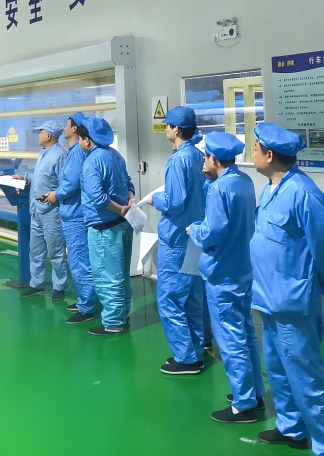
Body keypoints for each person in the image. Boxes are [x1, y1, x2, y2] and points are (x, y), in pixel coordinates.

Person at [251, 122, 324, 455]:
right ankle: (291, 428)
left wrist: (319, 285)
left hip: (293, 301)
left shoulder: (303, 192)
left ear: (269, 154)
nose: (253, 154)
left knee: (306, 378)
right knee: (278, 369)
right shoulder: (270, 188)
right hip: (268, 298)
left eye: (255, 148)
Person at [187, 131, 266, 423]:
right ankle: (254, 392)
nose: (203, 162)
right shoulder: (243, 181)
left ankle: (243, 404)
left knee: (230, 338)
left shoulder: (219, 188)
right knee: (245, 332)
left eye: (205, 156)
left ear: (214, 159)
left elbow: (214, 232)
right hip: (242, 269)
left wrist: (194, 230)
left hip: (222, 273)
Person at [140, 106, 207, 375]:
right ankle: (196, 351)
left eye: (167, 125)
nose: (165, 129)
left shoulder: (179, 160)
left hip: (177, 239)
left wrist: (155, 199)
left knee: (170, 300)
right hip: (194, 237)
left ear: (176, 130)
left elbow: (175, 202)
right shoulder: (198, 156)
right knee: (192, 299)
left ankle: (186, 358)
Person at [78, 117, 135, 335]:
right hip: (123, 225)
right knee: (122, 273)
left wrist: (119, 209)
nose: (79, 143)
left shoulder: (92, 162)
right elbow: (129, 183)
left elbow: (98, 198)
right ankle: (123, 312)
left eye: (81, 139)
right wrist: (129, 201)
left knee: (106, 276)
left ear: (88, 140)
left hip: (105, 228)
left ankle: (112, 322)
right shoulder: (116, 155)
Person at [43, 112, 98, 325]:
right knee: (81, 262)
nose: (64, 127)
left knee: (80, 263)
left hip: (76, 215)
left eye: (67, 124)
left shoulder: (76, 154)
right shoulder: (78, 152)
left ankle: (87, 308)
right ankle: (85, 300)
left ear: (75, 128)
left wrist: (55, 195)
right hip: (74, 213)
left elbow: (70, 184)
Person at [17, 120, 68, 300]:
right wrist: (25, 177)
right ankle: (36, 284)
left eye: (41, 132)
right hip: (36, 211)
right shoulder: (44, 153)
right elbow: (41, 178)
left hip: (52, 212)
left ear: (49, 135)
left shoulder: (60, 156)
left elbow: (64, 185)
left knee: (56, 251)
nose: (38, 135)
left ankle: (59, 287)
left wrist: (58, 200)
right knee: (36, 250)